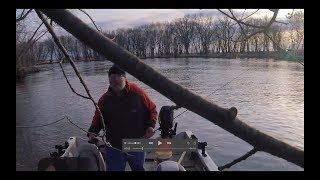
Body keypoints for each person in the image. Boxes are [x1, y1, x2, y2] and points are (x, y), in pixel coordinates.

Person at [87, 64, 158, 171]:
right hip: (114, 145)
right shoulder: (104, 100)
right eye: (112, 81)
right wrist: (93, 131)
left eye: (117, 79)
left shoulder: (138, 93)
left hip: (136, 142)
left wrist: (151, 126)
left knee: (138, 168)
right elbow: (97, 119)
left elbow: (152, 110)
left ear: (125, 78)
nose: (114, 83)